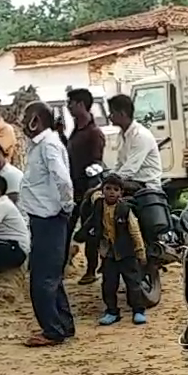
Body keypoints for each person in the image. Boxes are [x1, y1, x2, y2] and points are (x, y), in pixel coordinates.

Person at [19, 101, 76, 347]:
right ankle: (62, 324)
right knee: (51, 276)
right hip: (44, 218)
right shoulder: (42, 145)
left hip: (49, 219)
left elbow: (63, 179)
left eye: (25, 118)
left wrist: (66, 206)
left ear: (36, 120)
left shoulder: (48, 144)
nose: (22, 123)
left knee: (42, 279)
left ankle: (52, 330)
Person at [88, 174, 149, 325]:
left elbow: (135, 232)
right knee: (108, 284)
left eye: (115, 189)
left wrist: (140, 251)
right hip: (108, 253)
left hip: (126, 252)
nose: (111, 192)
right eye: (107, 188)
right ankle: (112, 311)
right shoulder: (98, 206)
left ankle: (138, 311)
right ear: (102, 190)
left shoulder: (125, 210)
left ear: (121, 192)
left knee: (133, 283)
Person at [66, 88, 107, 285]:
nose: (69, 107)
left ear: (81, 104)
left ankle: (91, 269)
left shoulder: (94, 133)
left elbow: (96, 163)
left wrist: (88, 185)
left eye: (71, 103)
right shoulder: (76, 130)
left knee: (90, 230)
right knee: (68, 227)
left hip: (88, 189)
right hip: (72, 188)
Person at [108, 94, 162, 189]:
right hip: (130, 181)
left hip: (145, 184)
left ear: (122, 114)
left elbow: (130, 169)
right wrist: (108, 177)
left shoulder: (140, 135)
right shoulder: (122, 135)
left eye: (112, 113)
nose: (110, 117)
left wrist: (111, 182)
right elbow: (120, 164)